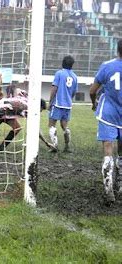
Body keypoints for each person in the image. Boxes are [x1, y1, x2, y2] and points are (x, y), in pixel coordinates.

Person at [0, 86, 56, 152]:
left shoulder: (27, 97)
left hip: (6, 113)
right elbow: (35, 129)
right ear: (38, 106)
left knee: (17, 128)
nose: (40, 112)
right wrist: (46, 143)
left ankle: (1, 148)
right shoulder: (29, 109)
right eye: (41, 109)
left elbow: (17, 89)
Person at [89, 39, 122, 204]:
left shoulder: (107, 65)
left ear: (117, 49)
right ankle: (120, 186)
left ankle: (109, 190)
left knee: (108, 151)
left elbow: (93, 90)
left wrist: (93, 102)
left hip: (108, 113)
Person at [48, 55, 78, 153]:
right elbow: (74, 92)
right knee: (64, 126)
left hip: (57, 103)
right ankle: (67, 147)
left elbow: (54, 88)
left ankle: (54, 146)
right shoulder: (74, 76)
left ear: (62, 63)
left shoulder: (59, 73)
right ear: (72, 65)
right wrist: (68, 98)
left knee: (51, 125)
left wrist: (50, 101)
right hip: (68, 105)